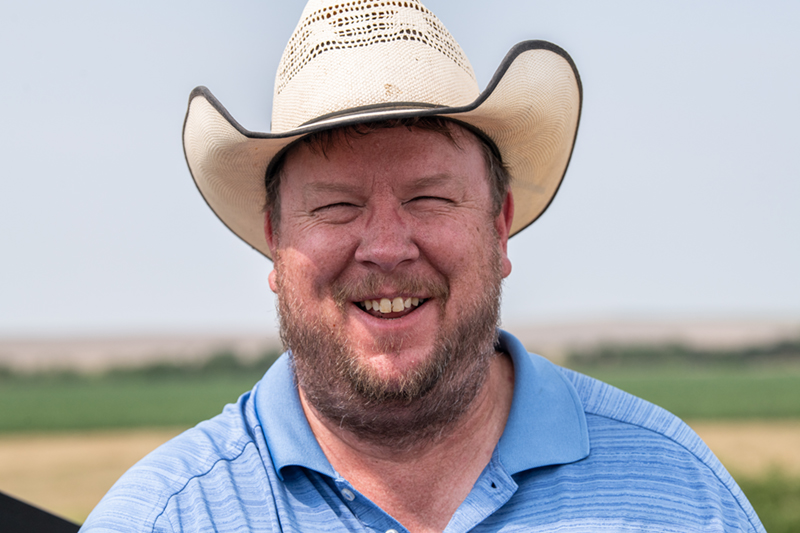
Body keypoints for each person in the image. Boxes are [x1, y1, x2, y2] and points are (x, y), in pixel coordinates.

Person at [80, 1, 765, 532]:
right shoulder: (165, 516)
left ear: (499, 226)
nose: (386, 246)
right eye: (337, 205)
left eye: (429, 198)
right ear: (274, 240)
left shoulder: (680, 495)